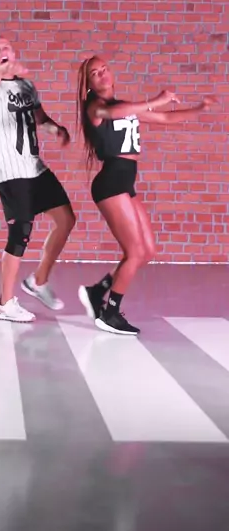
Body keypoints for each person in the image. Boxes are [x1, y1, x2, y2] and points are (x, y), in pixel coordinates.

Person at [76, 55, 215, 336]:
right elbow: (115, 113)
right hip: (110, 182)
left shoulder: (125, 107)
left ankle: (97, 292)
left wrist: (199, 109)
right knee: (135, 252)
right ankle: (110, 313)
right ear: (88, 84)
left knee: (147, 251)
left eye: (105, 69)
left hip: (125, 182)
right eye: (95, 73)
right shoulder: (95, 107)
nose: (102, 74)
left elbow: (164, 117)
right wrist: (156, 100)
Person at [0, 36, 75, 323]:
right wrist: (2, 70)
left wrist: (56, 130)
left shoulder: (27, 86)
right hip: (11, 173)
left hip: (35, 168)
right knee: (20, 236)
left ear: (14, 52)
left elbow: (40, 118)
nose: (2, 51)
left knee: (66, 219)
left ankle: (38, 281)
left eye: (6, 47)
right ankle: (4, 303)